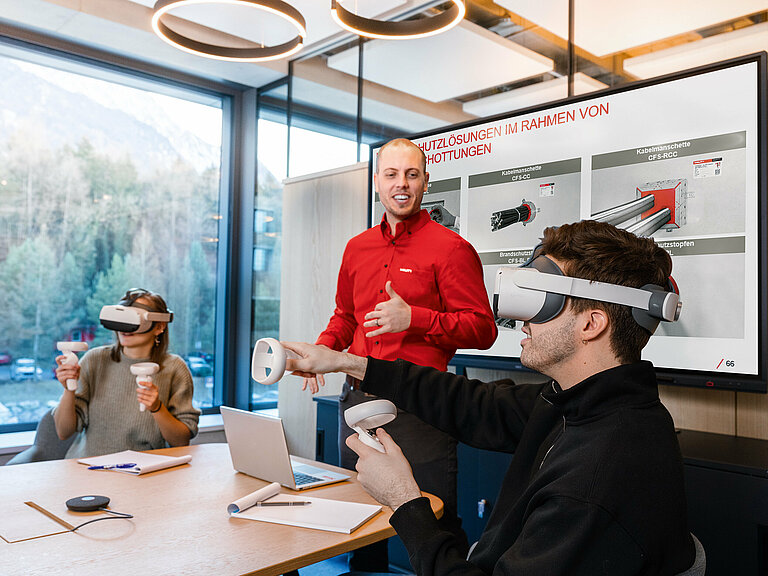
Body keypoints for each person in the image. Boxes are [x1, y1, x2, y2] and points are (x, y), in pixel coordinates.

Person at [286, 220, 695, 575]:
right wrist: (348, 363)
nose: (523, 320)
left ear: (591, 324)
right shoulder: (574, 405)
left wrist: (404, 501)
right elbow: (469, 402)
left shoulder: (598, 476)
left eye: (544, 304)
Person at [302, 137, 497, 568]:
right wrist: (323, 350)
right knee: (362, 515)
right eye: (391, 175)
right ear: (378, 183)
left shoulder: (451, 249)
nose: (401, 184)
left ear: (425, 182)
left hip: (420, 407)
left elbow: (483, 329)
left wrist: (417, 319)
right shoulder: (357, 248)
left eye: (411, 174)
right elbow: (345, 317)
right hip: (356, 398)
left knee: (433, 517)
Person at [53, 288, 200, 458]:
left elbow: (181, 441)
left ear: (159, 326)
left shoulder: (174, 368)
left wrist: (157, 408)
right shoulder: (95, 360)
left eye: (134, 319)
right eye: (121, 318)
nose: (124, 328)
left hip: (144, 471)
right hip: (90, 468)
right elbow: (64, 432)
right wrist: (68, 389)